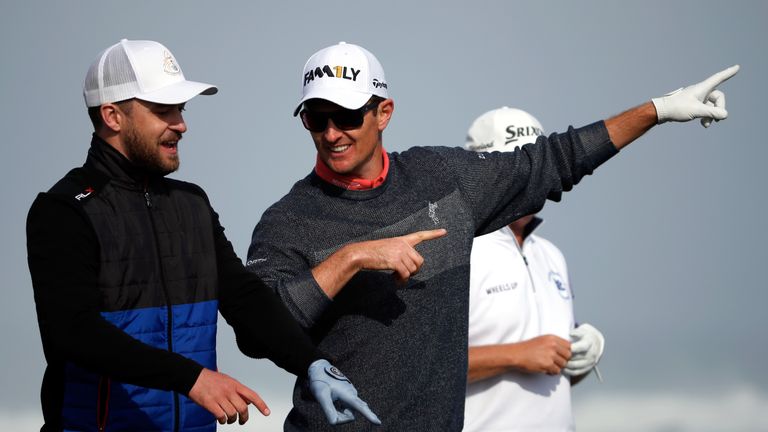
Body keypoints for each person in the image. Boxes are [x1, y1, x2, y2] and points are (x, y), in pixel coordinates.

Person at [246, 41, 738, 430]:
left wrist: (657, 109)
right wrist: (350, 259)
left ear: (383, 112)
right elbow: (256, 332)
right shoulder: (288, 220)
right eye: (317, 118)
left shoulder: (443, 178)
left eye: (348, 116)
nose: (332, 133)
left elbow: (556, 158)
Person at [26, 39, 379, 432]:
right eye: (163, 110)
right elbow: (73, 333)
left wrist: (311, 361)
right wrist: (191, 378)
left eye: (181, 108)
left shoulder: (191, 204)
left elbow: (244, 299)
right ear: (112, 116)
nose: (181, 123)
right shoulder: (64, 209)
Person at [463, 107, 606, 431]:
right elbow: (422, 368)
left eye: (535, 166)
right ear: (478, 170)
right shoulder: (456, 252)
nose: (528, 179)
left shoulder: (551, 255)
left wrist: (583, 353)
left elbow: (551, 368)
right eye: (514, 166)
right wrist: (516, 356)